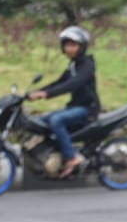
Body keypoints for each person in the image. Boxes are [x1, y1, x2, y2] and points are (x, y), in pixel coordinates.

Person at [27, 25, 100, 178]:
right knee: (40, 121)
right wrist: (37, 92)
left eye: (73, 45)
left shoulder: (87, 64)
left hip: (87, 108)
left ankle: (71, 157)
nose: (69, 48)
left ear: (82, 46)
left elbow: (72, 84)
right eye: (67, 45)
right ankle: (50, 153)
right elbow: (59, 82)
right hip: (74, 107)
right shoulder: (73, 65)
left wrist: (47, 94)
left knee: (56, 120)